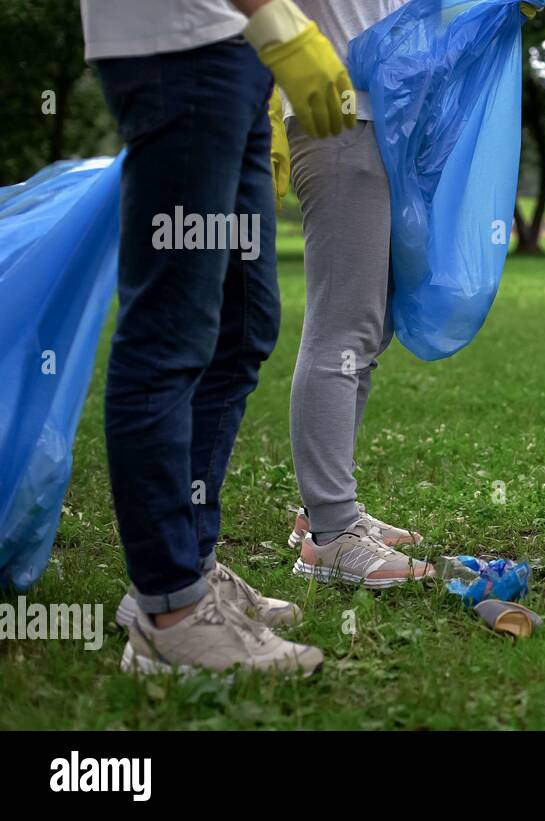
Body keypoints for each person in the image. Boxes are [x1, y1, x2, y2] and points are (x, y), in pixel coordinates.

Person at [83, 0, 356, 674]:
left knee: (241, 323)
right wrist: (275, 18)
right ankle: (168, 611)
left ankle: (193, 565)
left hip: (230, 55)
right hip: (177, 47)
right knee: (170, 328)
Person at [277, 1, 542, 587]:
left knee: (366, 332)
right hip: (340, 117)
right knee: (343, 327)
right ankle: (332, 533)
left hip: (393, 123)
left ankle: (324, 514)